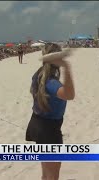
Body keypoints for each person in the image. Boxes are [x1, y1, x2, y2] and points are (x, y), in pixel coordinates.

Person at [26, 43, 75, 180]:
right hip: (49, 130)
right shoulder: (51, 82)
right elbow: (69, 95)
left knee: (46, 173)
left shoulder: (38, 75)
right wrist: (67, 67)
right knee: (53, 176)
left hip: (37, 124)